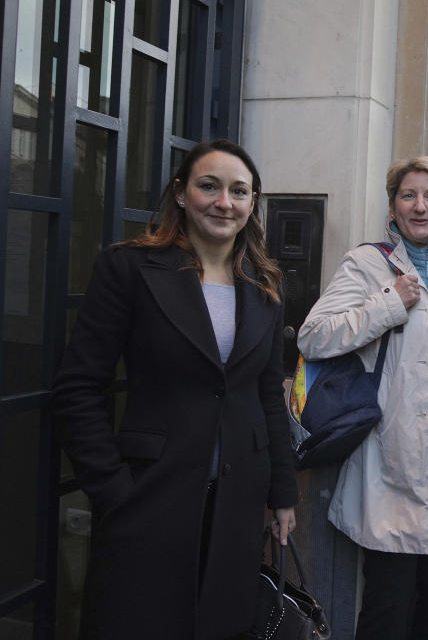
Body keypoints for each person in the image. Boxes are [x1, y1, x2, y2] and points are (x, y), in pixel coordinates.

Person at [52, 139, 298, 640]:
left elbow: (269, 394)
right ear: (182, 193)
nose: (223, 202)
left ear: (252, 204)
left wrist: (282, 494)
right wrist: (114, 491)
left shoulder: (265, 285)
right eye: (209, 186)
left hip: (238, 502)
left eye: (238, 191)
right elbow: (78, 388)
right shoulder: (129, 268)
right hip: (150, 497)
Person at [297, 156, 428, 640]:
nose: (420, 206)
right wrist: (388, 302)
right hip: (393, 463)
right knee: (388, 605)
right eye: (409, 195)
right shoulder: (369, 264)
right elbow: (313, 336)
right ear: (393, 205)